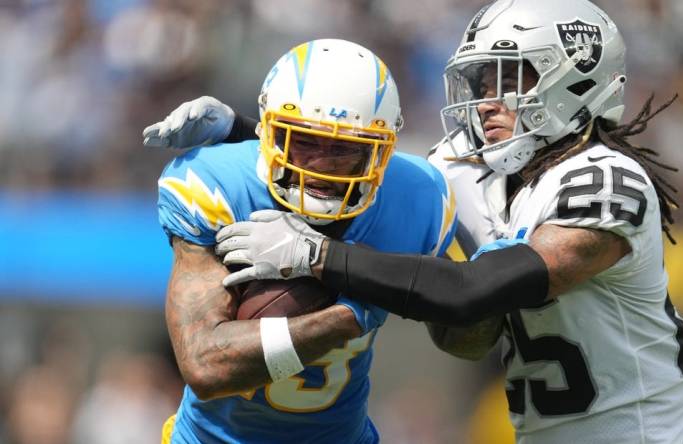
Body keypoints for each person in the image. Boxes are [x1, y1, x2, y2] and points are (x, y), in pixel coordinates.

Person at [146, 1, 683, 443]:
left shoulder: (606, 184)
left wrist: (318, 256)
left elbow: (468, 292)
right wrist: (248, 127)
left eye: (509, 79)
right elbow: (358, 160)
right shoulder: (468, 167)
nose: (486, 101)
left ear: (575, 79)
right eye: (481, 83)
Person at [152, 38, 456, 444]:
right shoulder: (219, 184)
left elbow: (465, 338)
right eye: (306, 142)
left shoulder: (416, 195)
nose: (320, 167)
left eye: (344, 149)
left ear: (381, 152)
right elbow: (207, 367)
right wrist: (349, 315)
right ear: (269, 131)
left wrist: (421, 284)